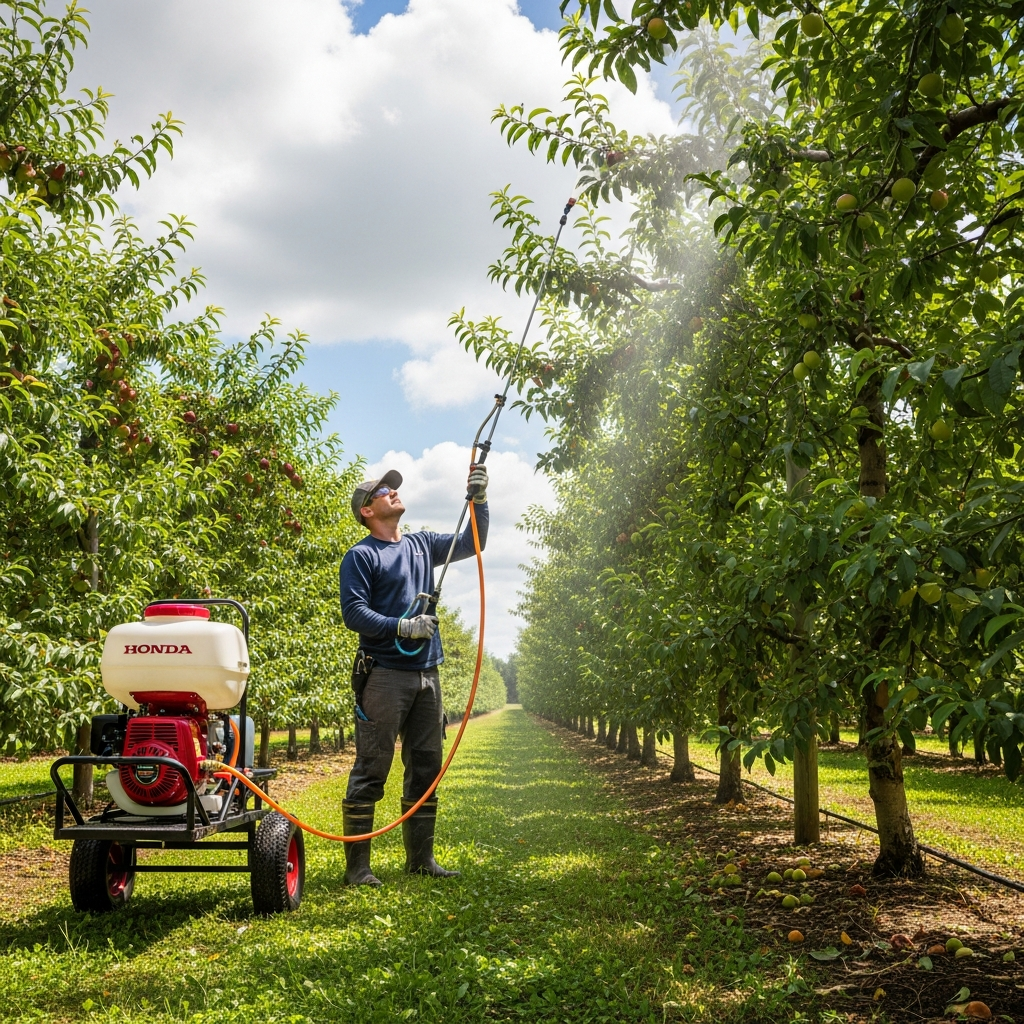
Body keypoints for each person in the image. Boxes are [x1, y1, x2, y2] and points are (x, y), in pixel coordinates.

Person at [338, 463, 489, 886]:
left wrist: (480, 499)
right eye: (383, 491)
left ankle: (421, 860)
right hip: (385, 674)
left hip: (428, 674)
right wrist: (400, 626)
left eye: (393, 488)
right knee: (372, 766)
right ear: (367, 510)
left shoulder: (422, 544)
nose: (392, 492)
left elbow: (472, 542)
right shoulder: (362, 556)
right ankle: (358, 870)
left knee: (426, 765)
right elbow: (354, 613)